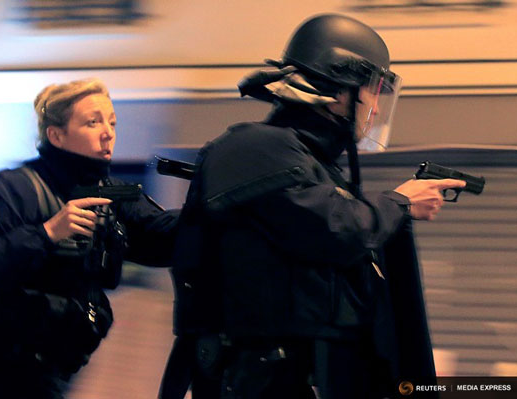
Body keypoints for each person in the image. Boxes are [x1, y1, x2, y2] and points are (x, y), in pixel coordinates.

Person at [159, 14, 466, 399]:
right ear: (341, 90)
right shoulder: (256, 146)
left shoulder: (310, 164)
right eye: (371, 90)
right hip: (260, 382)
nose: (374, 104)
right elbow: (336, 229)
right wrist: (399, 202)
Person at [0, 78, 179, 399]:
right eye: (93, 122)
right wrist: (48, 233)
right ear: (57, 136)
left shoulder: (109, 196)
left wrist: (217, 205)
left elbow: (164, 235)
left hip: (56, 370)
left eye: (112, 122)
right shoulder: (10, 189)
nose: (108, 132)